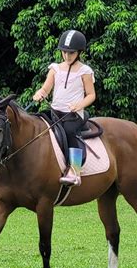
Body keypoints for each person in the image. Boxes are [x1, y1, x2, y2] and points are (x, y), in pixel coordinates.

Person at [33, 30, 96, 186]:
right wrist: (40, 93)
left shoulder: (85, 71)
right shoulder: (55, 68)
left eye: (71, 53)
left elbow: (91, 95)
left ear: (79, 52)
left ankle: (75, 172)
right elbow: (46, 88)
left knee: (69, 132)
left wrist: (78, 105)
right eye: (64, 52)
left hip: (73, 114)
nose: (67, 56)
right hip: (55, 112)